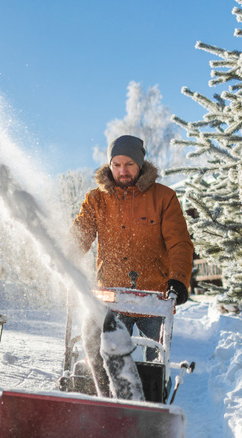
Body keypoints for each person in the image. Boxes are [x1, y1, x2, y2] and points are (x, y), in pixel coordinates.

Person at [70, 135, 194, 363]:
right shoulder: (97, 200)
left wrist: (178, 279)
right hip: (112, 294)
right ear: (109, 165)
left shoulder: (164, 198)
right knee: (106, 356)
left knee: (156, 360)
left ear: (140, 164)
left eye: (129, 164)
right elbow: (80, 235)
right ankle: (105, 385)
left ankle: (155, 385)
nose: (122, 171)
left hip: (155, 297)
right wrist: (66, 260)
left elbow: (179, 242)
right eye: (116, 164)